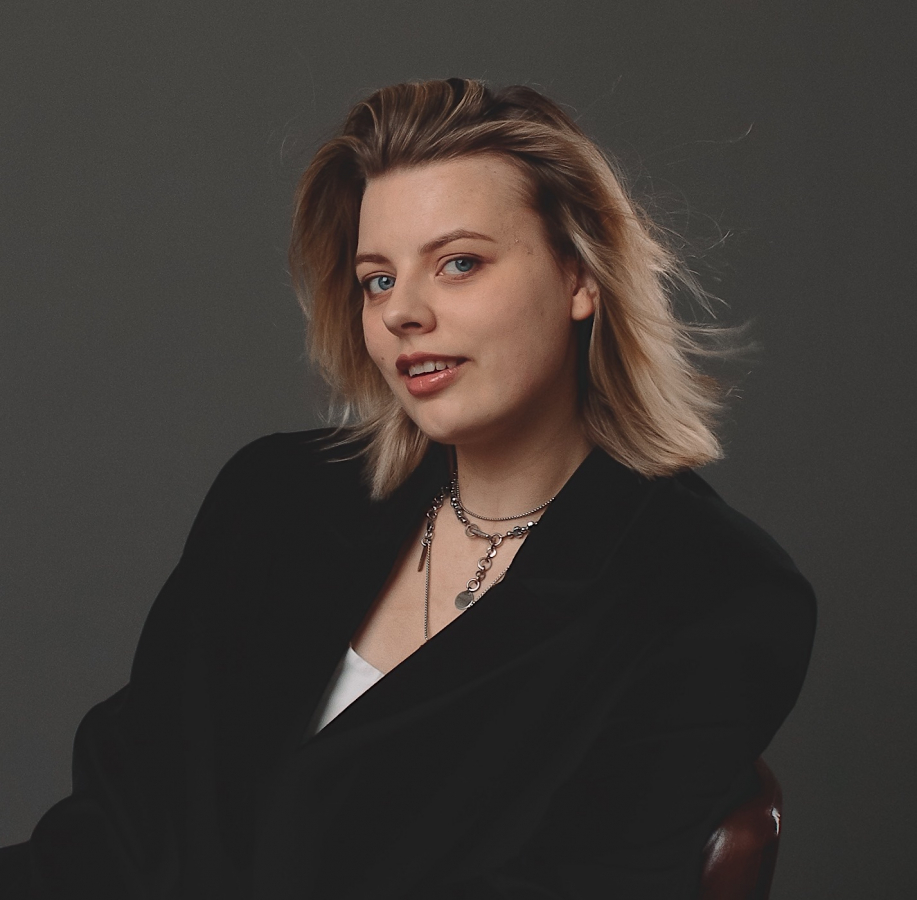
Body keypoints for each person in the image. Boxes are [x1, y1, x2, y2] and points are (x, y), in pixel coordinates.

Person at [0, 78, 816, 899]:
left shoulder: (712, 594)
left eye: (458, 264)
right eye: (377, 279)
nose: (402, 313)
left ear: (579, 276)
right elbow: (116, 828)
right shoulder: (275, 499)